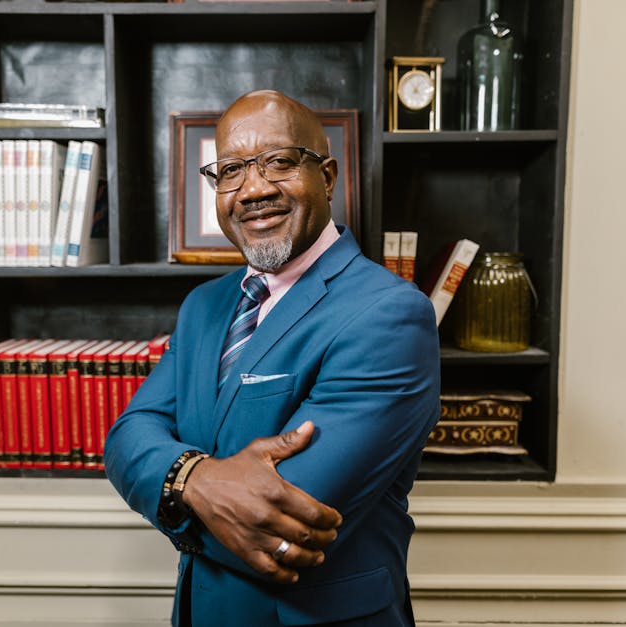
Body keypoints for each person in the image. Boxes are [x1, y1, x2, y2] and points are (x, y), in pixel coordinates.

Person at [104, 90, 440, 627]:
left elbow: (281, 523)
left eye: (279, 163)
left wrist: (165, 487)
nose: (253, 189)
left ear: (327, 177)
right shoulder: (205, 306)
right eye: (231, 170)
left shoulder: (390, 314)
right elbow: (127, 436)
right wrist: (194, 479)